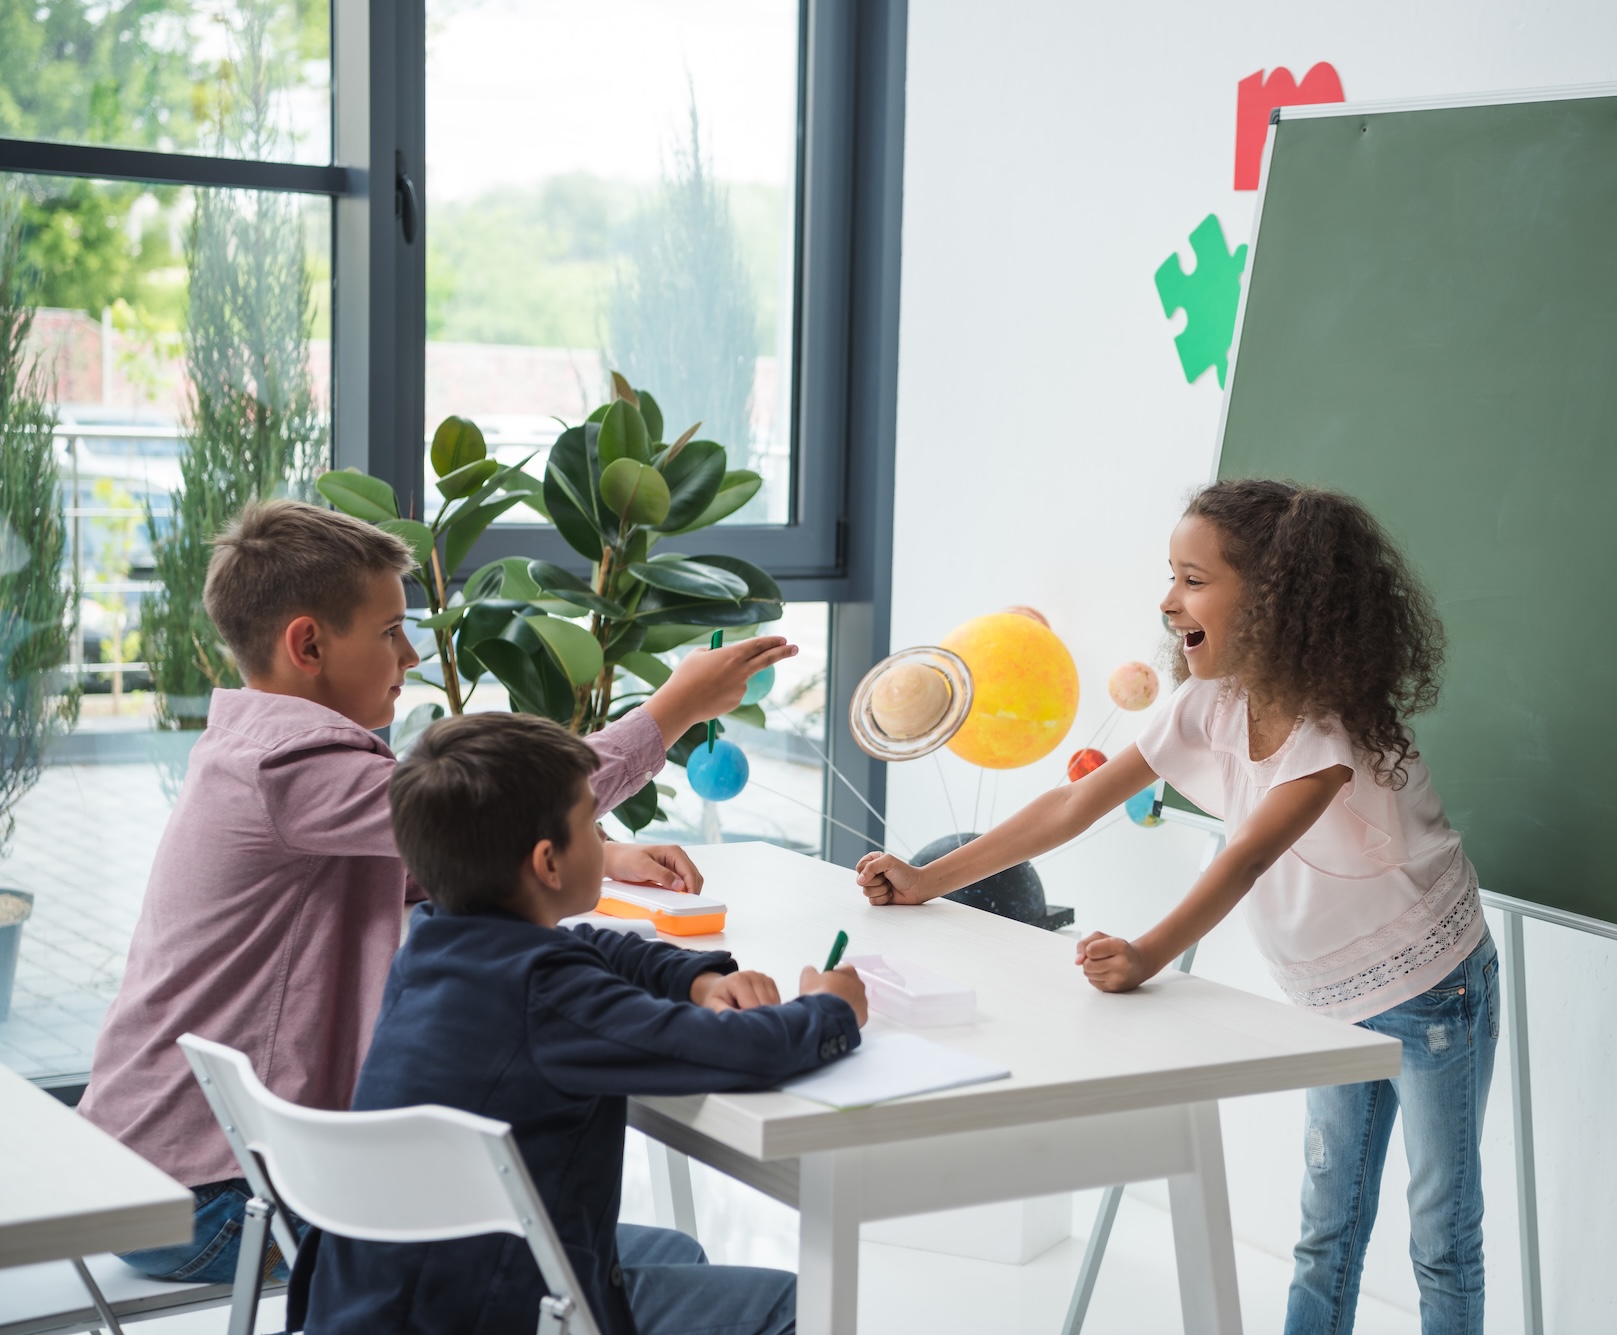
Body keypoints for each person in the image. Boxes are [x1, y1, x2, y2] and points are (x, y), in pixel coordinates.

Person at [83, 498, 796, 1285]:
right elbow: (501, 805)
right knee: (598, 1256)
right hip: (215, 1198)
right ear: (308, 643)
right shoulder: (291, 767)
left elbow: (426, 859)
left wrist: (601, 847)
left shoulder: (252, 750)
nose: (413, 654)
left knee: (653, 1254)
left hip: (169, 1165)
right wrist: (675, 708)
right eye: (391, 630)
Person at [856, 479, 1496, 1335]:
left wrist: (1148, 952)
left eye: (1193, 579)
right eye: (1171, 575)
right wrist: (929, 878)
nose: (1168, 600)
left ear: (1271, 600)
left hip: (1431, 992)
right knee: (1328, 1229)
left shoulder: (1329, 733)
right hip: (1334, 1001)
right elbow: (1070, 804)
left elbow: (1248, 855)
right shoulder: (1208, 705)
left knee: (1440, 1237)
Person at [293, 711, 866, 1334]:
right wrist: (832, 1007)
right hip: (490, 1311)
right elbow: (734, 1052)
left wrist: (692, 978)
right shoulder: (549, 995)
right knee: (799, 1306)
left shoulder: (433, 942)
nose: (603, 839)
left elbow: (588, 945)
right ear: (548, 863)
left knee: (676, 1251)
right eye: (592, 824)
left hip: (393, 1291)